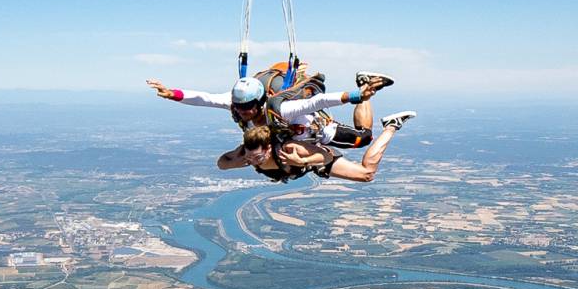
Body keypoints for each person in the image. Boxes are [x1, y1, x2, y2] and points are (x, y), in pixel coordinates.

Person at [146, 71, 393, 149]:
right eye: (240, 107)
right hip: (292, 140)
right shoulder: (234, 104)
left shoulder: (282, 109)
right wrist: (172, 94)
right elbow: (204, 99)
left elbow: (318, 102)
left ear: (259, 101)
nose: (243, 112)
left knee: (364, 137)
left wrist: (356, 95)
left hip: (318, 133)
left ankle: (364, 82)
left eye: (247, 107)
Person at [218, 112, 416, 183]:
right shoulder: (247, 155)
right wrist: (239, 155)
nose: (253, 162)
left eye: (257, 158)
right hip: (302, 167)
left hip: (315, 160)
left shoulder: (290, 149)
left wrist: (302, 161)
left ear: (269, 149)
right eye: (252, 159)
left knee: (366, 174)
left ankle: (391, 125)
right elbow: (222, 164)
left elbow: (326, 157)